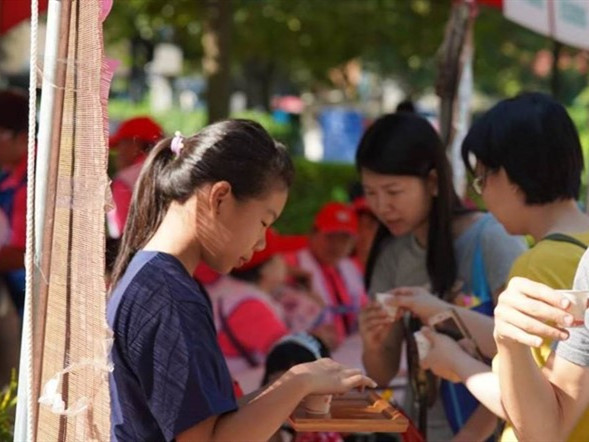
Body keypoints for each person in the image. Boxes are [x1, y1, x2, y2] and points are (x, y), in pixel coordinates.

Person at [107, 119, 375, 441]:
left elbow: (211, 420)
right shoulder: (169, 295)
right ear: (220, 197)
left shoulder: (158, 278)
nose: (262, 243)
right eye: (263, 222)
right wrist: (299, 380)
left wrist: (293, 386)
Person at [416, 93, 589, 441]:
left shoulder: (537, 264)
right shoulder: (580, 247)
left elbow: (533, 410)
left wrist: (456, 363)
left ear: (509, 175)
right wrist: (444, 311)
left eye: (481, 180)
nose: (482, 197)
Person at [355, 112, 525, 440]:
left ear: (432, 182)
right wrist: (373, 343)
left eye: (393, 192)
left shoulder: (492, 239)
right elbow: (382, 373)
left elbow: (529, 355)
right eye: (371, 193)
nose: (381, 206)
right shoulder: (391, 255)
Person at [209, 228, 324, 376]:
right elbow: (291, 359)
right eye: (280, 257)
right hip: (239, 393)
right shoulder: (249, 306)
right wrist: (318, 341)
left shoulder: (237, 292)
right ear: (265, 270)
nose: (286, 263)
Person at [283, 202, 366, 346]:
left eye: (345, 239)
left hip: (350, 347)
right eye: (331, 237)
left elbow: (364, 307)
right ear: (313, 234)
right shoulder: (290, 264)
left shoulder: (352, 267)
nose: (337, 245)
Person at [107, 116, 163, 238]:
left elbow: (123, 231)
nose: (118, 154)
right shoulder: (172, 170)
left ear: (135, 144)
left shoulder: (124, 180)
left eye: (120, 145)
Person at [0, 89, 29, 317]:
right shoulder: (9, 175)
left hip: (30, 302)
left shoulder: (36, 180)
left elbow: (24, 253)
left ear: (23, 137)